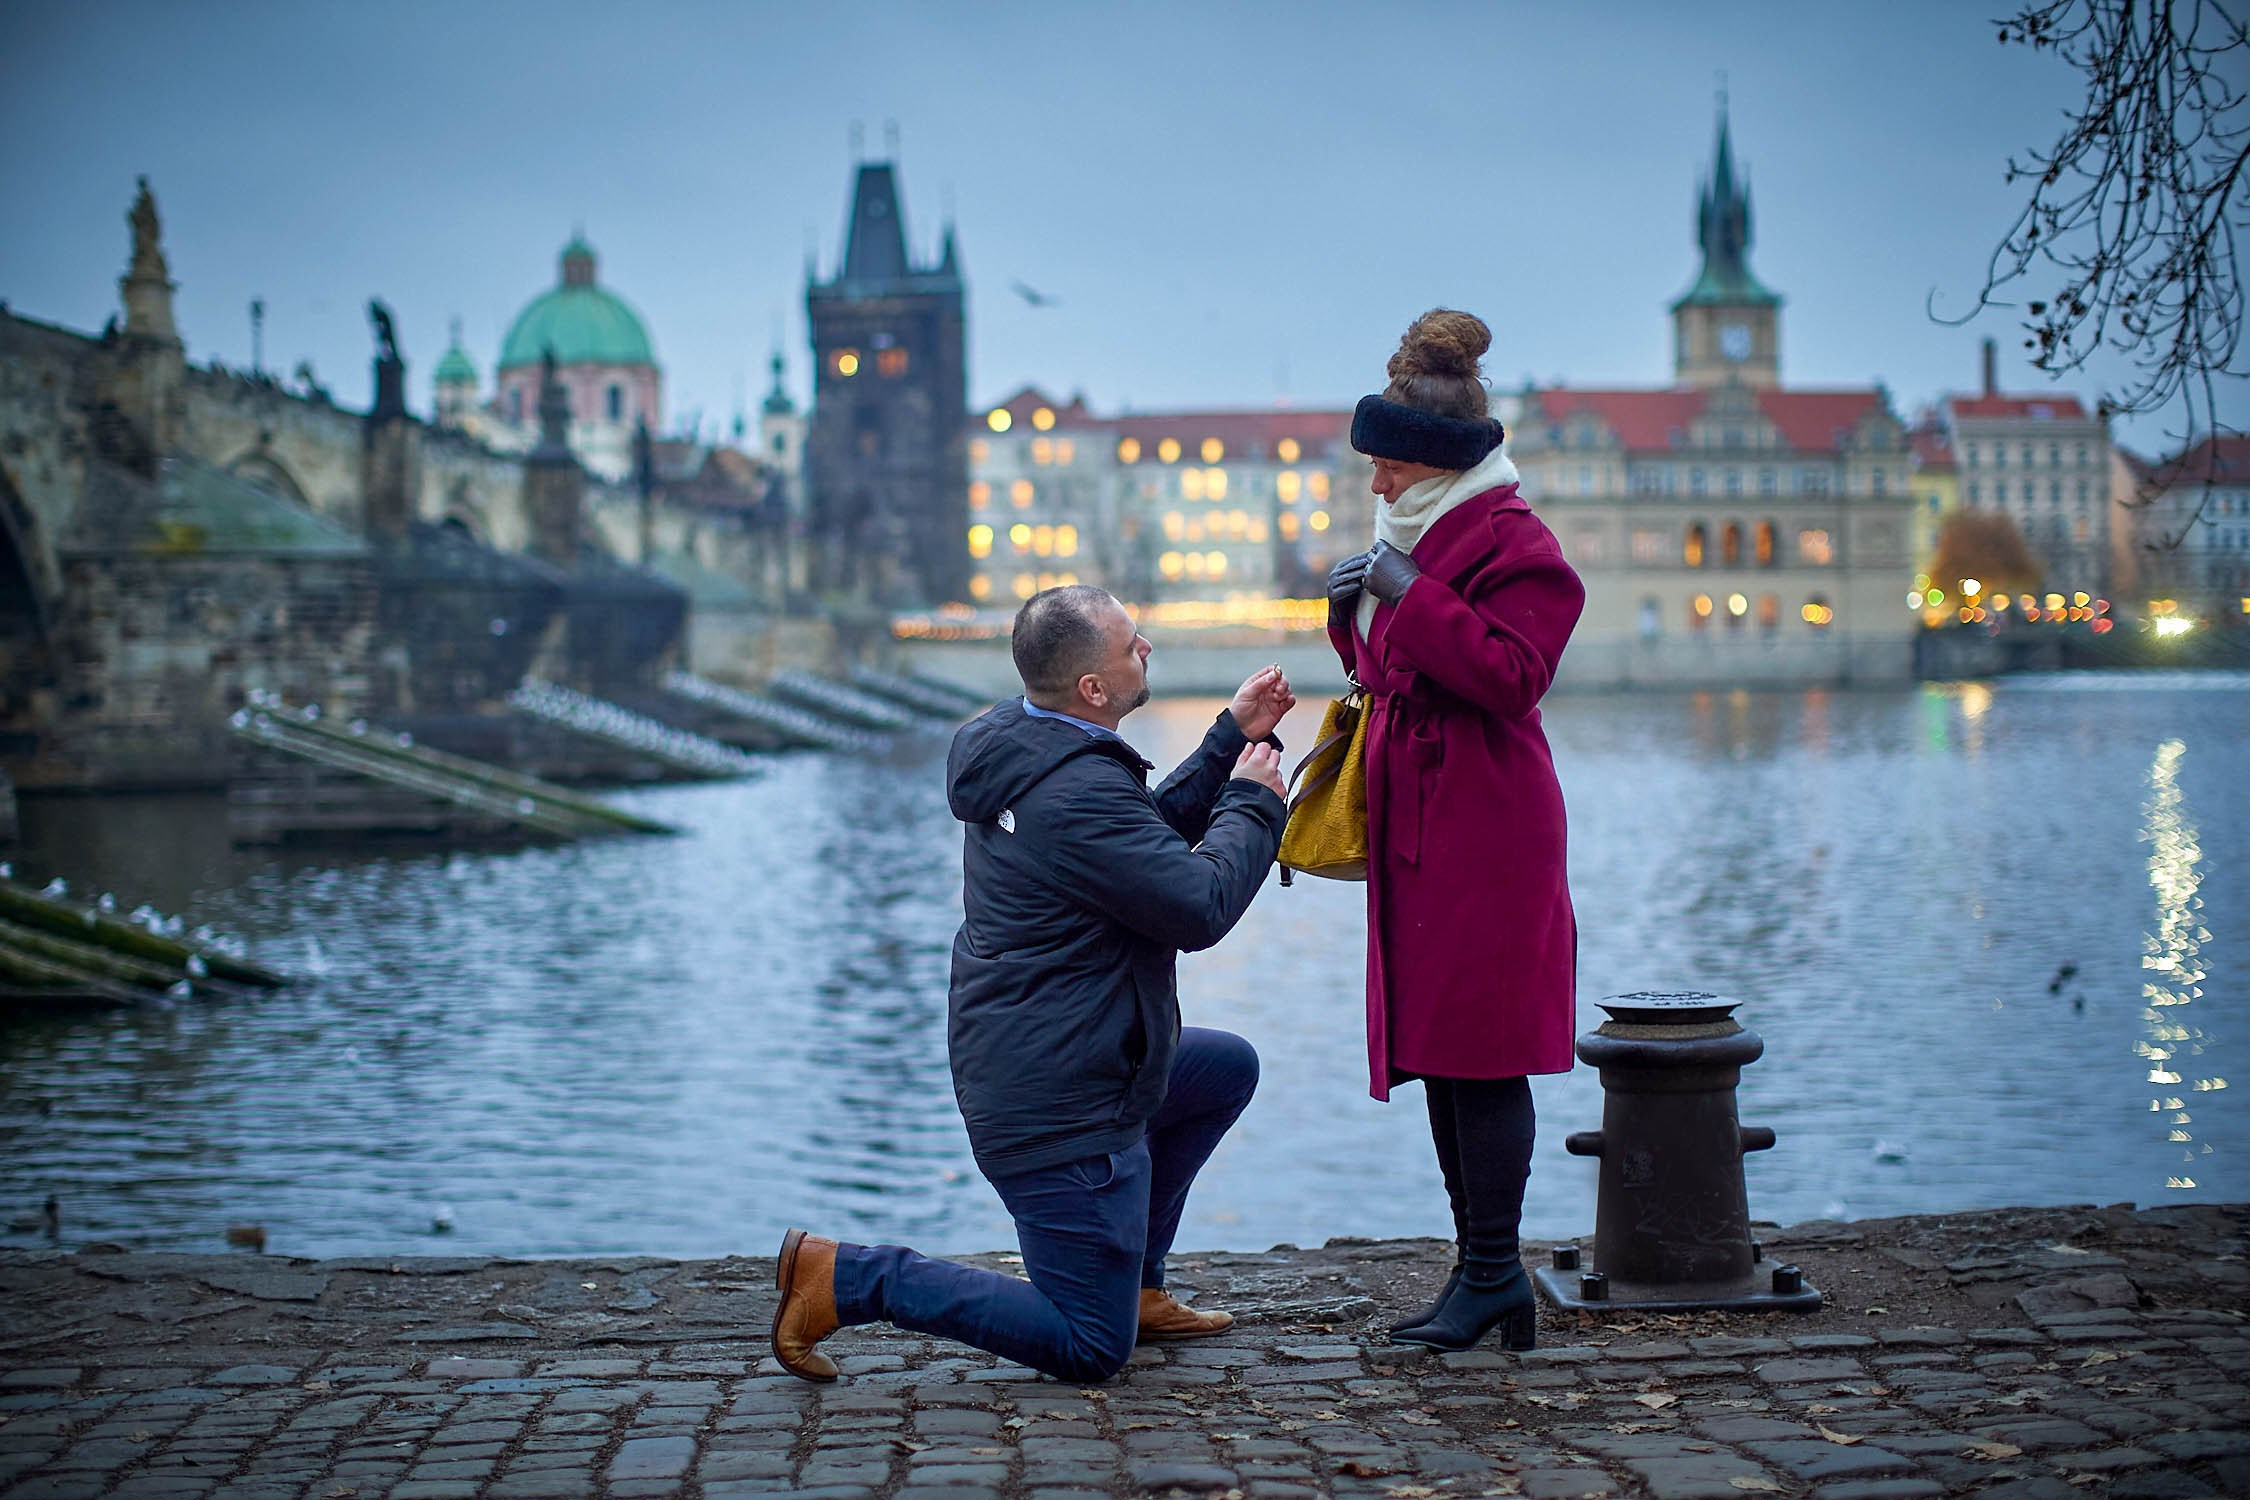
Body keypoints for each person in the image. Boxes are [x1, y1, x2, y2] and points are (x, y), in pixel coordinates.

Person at [772, 584, 1294, 1383]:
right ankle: (846, 1277)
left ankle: (1138, 1287)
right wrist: (1254, 804)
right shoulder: (1074, 789)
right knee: (1088, 1347)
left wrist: (1227, 739)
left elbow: (1137, 846)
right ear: (1092, 688)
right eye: (1131, 644)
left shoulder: (1025, 741)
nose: (1146, 646)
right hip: (1057, 1102)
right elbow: (1197, 905)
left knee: (1223, 1070)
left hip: (1056, 1051)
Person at [1324, 309, 1585, 1353]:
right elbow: (1390, 673)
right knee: (1443, 1050)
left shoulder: (1517, 543)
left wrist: (1406, 593)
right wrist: (1355, 611)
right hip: (1424, 822)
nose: (1375, 487)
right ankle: (1482, 1276)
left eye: (1387, 468)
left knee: (1485, 1053)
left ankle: (1493, 1276)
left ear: (1434, 465)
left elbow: (1513, 676)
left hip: (1486, 823)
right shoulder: (1416, 538)